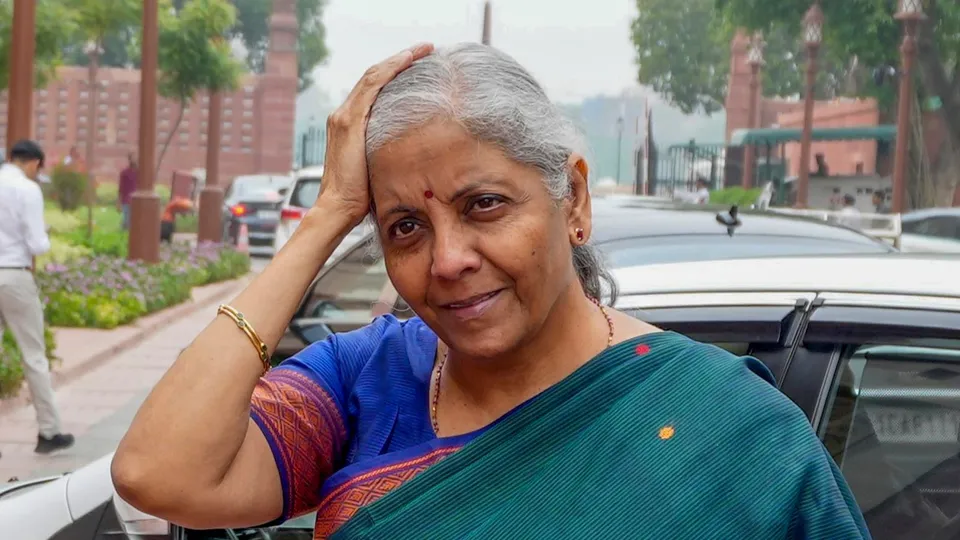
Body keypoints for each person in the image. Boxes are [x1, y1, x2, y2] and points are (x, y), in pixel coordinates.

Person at [112, 44, 870, 539]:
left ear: (572, 200)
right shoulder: (364, 380)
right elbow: (160, 473)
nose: (447, 260)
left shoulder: (730, 430)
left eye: (485, 205)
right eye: (405, 226)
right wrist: (328, 217)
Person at [0, 140, 75, 456]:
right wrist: (43, 234)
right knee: (33, 356)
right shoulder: (28, 190)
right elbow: (37, 243)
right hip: (15, 276)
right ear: (34, 163)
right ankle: (49, 432)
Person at [118, 153, 138, 230]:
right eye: (132, 158)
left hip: (137, 201)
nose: (134, 160)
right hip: (126, 200)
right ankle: (123, 232)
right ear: (129, 160)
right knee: (127, 220)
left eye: (135, 158)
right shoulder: (124, 173)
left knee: (134, 221)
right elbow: (121, 188)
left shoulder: (141, 173)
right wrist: (118, 202)